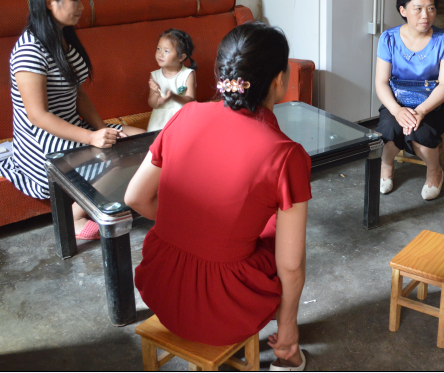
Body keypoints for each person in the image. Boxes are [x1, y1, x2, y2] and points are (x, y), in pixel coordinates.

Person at [125, 22, 310, 371]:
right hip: (225, 309)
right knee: (280, 231)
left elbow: (136, 197)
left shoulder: (185, 115)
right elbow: (291, 266)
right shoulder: (286, 154)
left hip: (162, 290)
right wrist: (289, 326)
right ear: (279, 80)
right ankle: (287, 349)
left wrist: (190, 226)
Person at [0, 0, 143, 241]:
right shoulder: (29, 50)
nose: (82, 7)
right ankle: (74, 214)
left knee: (145, 141)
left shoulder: (63, 39)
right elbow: (38, 116)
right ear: (50, 2)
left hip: (74, 127)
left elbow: (78, 94)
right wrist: (91, 137)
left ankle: (132, 200)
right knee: (124, 157)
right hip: (42, 141)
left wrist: (103, 130)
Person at [375, 0, 444, 201]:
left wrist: (420, 111)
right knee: (389, 129)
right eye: (418, 9)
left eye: (431, 8)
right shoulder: (389, 38)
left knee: (420, 133)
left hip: (431, 103)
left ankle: (435, 170)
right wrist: (396, 110)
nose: (425, 16)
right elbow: (381, 81)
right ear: (403, 10)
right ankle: (386, 165)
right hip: (397, 101)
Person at [146, 28, 197, 132]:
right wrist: (156, 93)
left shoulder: (187, 74)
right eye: (158, 48)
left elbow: (190, 100)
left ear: (181, 57)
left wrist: (173, 97)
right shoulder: (155, 76)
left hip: (182, 119)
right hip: (160, 122)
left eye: (166, 51)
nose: (160, 54)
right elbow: (153, 104)